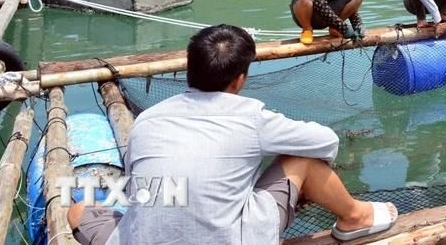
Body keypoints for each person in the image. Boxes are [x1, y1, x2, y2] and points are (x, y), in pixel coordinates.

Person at [68, 25, 397, 244]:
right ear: (239, 79)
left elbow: (138, 177)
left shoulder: (148, 119)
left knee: (79, 209)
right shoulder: (251, 117)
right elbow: (326, 141)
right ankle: (356, 216)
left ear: (189, 70)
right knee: (303, 160)